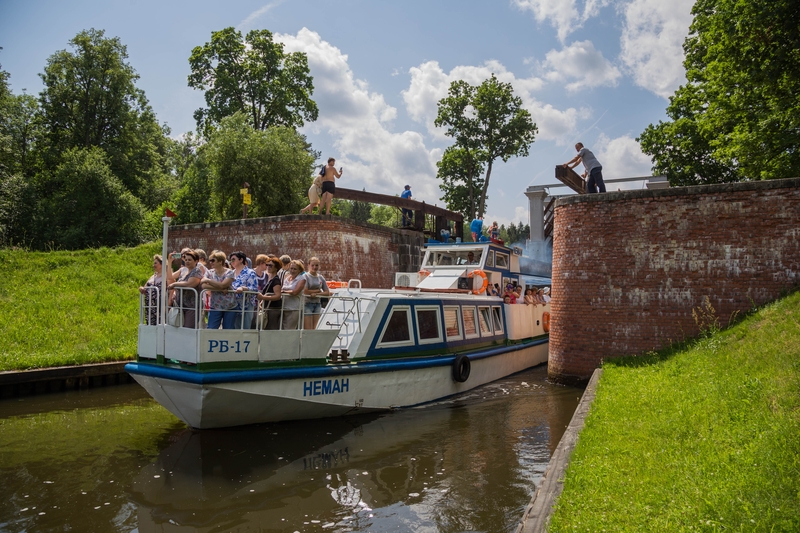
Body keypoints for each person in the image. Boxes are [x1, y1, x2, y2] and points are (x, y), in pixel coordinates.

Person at [201, 250, 237, 329]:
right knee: (211, 328)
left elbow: (223, 285)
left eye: (213, 260)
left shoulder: (229, 272)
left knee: (228, 329)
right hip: (215, 306)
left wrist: (208, 281)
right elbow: (203, 286)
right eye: (210, 260)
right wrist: (220, 289)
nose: (211, 262)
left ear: (220, 261)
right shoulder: (209, 272)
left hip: (230, 306)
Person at [168, 249, 204, 328]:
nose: (187, 261)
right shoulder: (183, 270)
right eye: (186, 259)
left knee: (188, 328)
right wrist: (170, 262)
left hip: (192, 306)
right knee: (178, 327)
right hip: (180, 306)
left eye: (190, 260)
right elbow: (169, 277)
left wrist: (174, 284)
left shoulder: (197, 271)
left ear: (196, 261)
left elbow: (190, 284)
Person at [228, 251, 258, 329]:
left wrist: (244, 288)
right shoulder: (231, 273)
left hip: (246, 306)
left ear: (241, 260)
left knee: (244, 330)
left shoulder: (250, 273)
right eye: (230, 260)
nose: (231, 262)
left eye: (233, 259)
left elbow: (254, 289)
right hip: (232, 305)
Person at [303, 257, 331, 330]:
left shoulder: (320, 277)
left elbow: (327, 292)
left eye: (316, 265)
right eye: (312, 265)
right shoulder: (305, 276)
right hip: (307, 304)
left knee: (315, 328)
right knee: (308, 329)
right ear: (308, 265)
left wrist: (317, 294)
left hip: (317, 304)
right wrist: (317, 291)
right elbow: (305, 291)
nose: (314, 267)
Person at [256, 257, 283, 330]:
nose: (268, 267)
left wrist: (263, 298)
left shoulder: (276, 280)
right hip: (267, 308)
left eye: (271, 265)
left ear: (276, 268)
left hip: (273, 309)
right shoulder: (269, 278)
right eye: (267, 265)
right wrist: (261, 303)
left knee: (271, 329)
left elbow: (278, 296)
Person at [281, 260, 307, 329]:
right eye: (291, 268)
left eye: (295, 269)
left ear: (299, 270)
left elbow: (295, 292)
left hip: (294, 309)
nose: (292, 270)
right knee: (282, 329)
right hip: (284, 307)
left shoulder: (302, 279)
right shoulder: (287, 278)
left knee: (289, 330)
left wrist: (283, 292)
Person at [138, 255, 164, 325]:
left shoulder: (166, 276)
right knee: (150, 324)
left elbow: (172, 290)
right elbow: (145, 287)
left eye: (155, 263)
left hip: (160, 305)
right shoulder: (153, 276)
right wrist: (141, 288)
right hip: (149, 305)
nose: (153, 265)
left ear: (162, 264)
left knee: (159, 324)